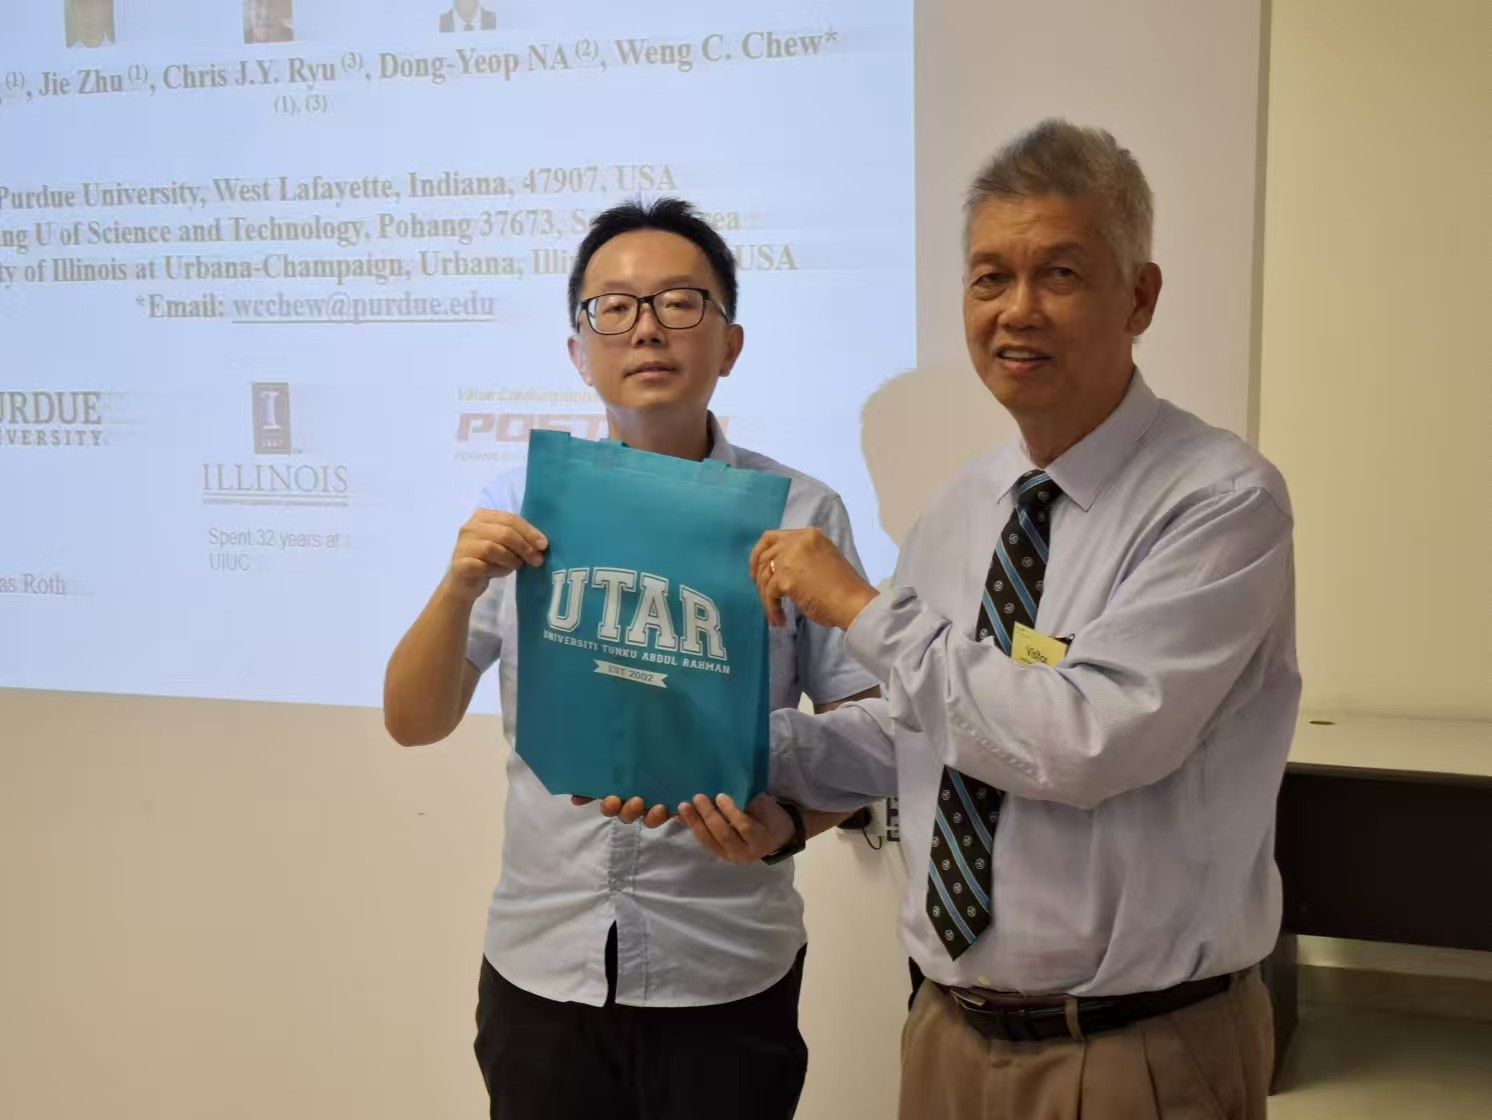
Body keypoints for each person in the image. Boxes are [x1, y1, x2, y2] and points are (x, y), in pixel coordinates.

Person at [659, 120, 1299, 1119]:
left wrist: (862, 613)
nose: (1016, 312)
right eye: (988, 277)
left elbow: (1088, 739)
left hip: (1137, 1051)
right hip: (948, 1036)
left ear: (1140, 296)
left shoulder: (1218, 500)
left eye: (1059, 274)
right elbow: (918, 727)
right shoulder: (965, 504)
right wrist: (742, 759)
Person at [383, 198, 878, 1120]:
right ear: (579, 350)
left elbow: (872, 727)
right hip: (542, 962)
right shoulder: (521, 501)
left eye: (680, 303)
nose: (646, 328)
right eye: (613, 307)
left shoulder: (801, 515)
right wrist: (455, 589)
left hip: (726, 964)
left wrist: (790, 827)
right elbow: (413, 721)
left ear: (728, 343)